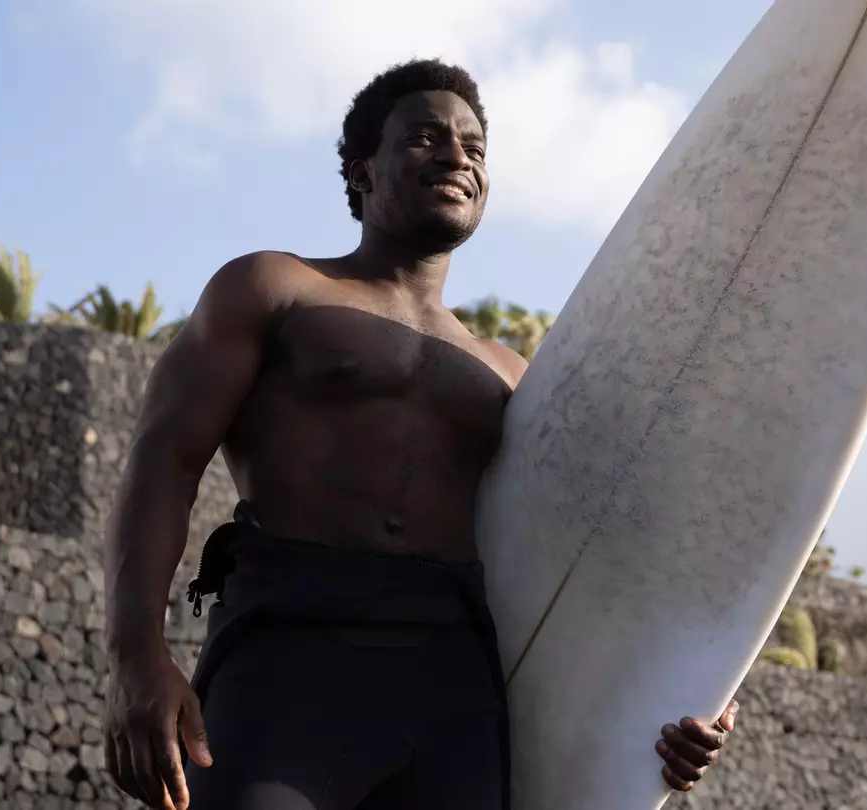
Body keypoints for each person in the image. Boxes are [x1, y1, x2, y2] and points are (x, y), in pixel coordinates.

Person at [101, 58, 740, 810]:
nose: (457, 156)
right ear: (361, 166)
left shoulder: (511, 375)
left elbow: (603, 554)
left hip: (456, 687)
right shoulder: (274, 288)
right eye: (426, 137)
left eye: (474, 146)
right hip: (290, 658)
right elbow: (164, 461)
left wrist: (701, 691)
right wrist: (136, 655)